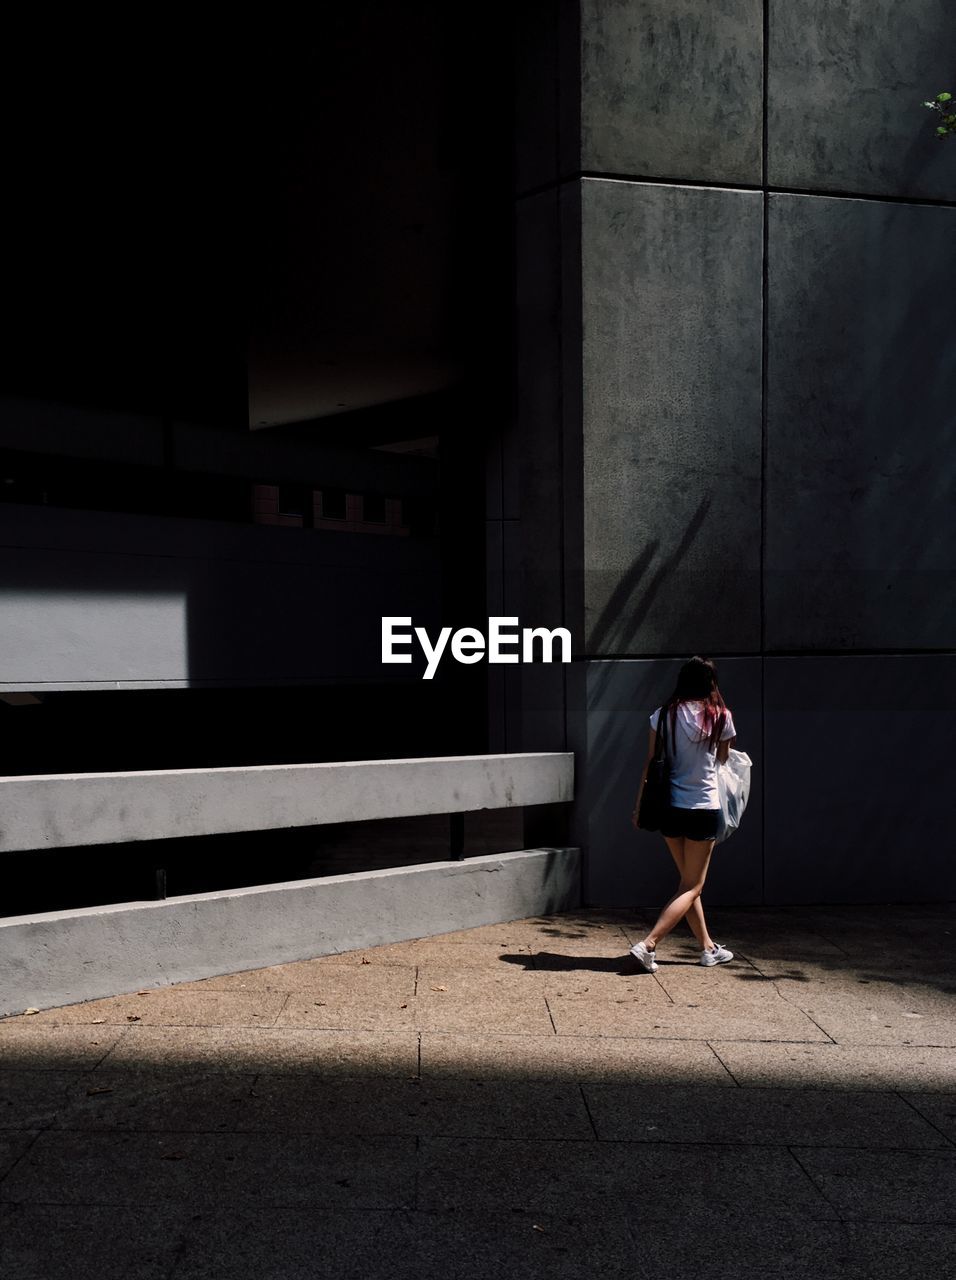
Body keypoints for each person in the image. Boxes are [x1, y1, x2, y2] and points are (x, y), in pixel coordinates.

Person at [629, 656, 737, 971]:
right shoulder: (721, 716)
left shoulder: (662, 716)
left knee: (688, 883)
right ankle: (648, 944)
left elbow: (650, 763)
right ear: (710, 684)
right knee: (693, 886)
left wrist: (638, 806)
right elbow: (723, 758)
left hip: (670, 809)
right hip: (704, 808)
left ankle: (708, 948)